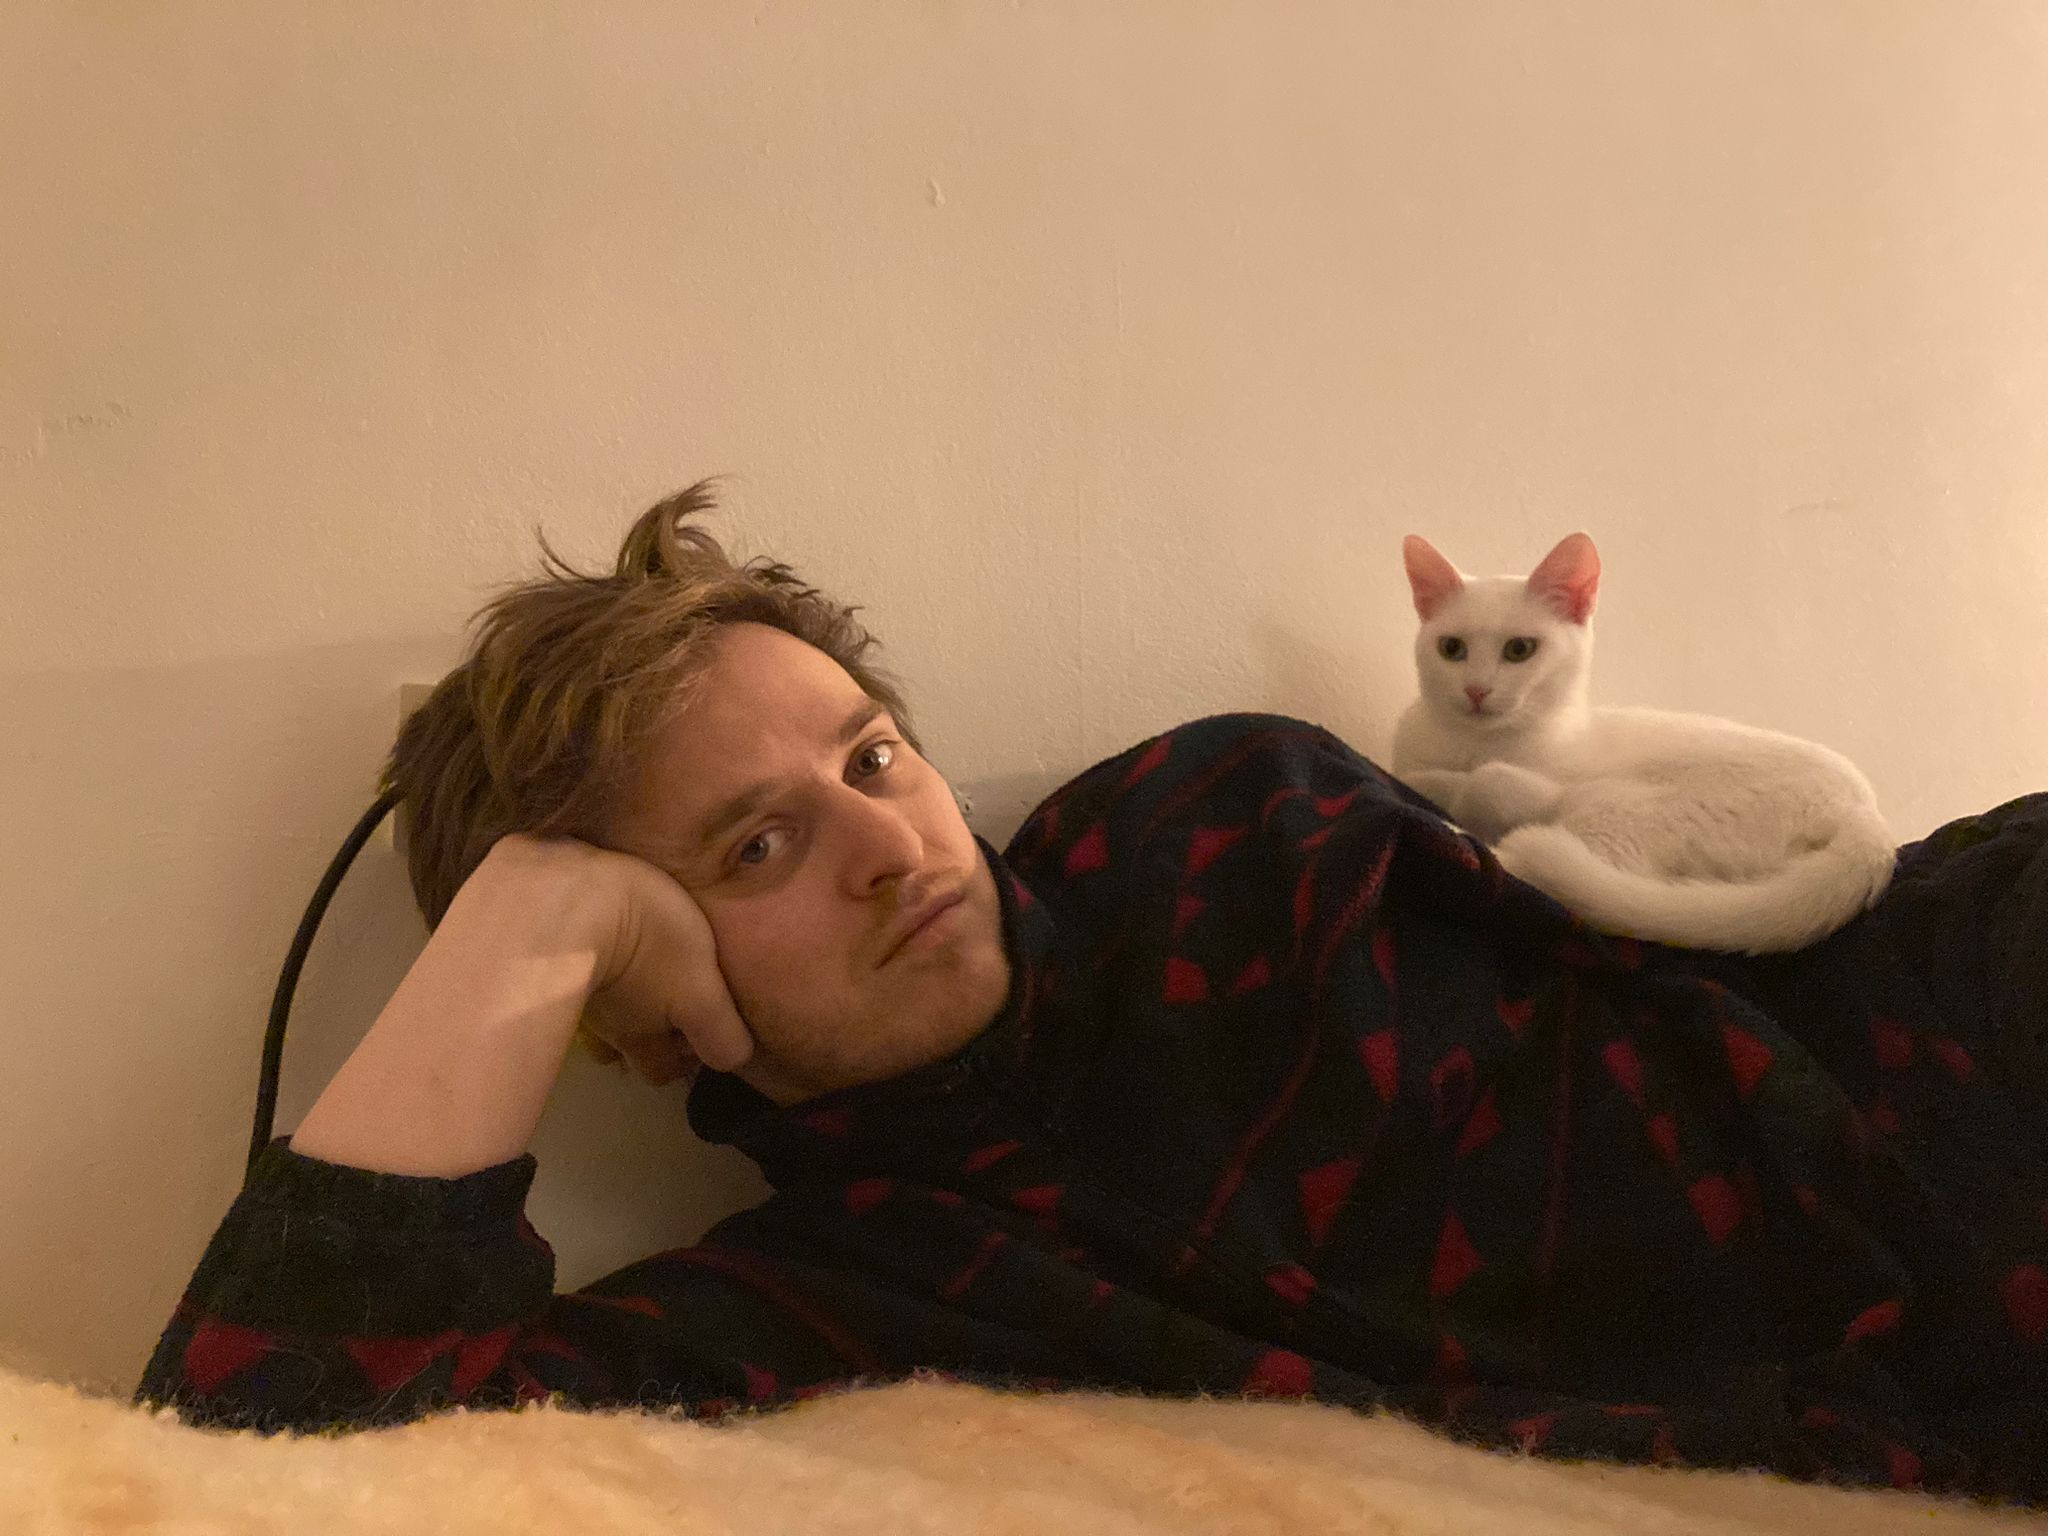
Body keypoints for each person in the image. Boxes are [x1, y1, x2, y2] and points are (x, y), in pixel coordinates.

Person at [136, 484, 2048, 1502]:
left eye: (870, 757)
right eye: (757, 846)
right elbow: (249, 1471)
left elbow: (1644, 958)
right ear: (640, 1015)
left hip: (1936, 1019)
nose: (890, 844)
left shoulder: (1214, 811)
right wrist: (526, 929)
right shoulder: (826, 1310)